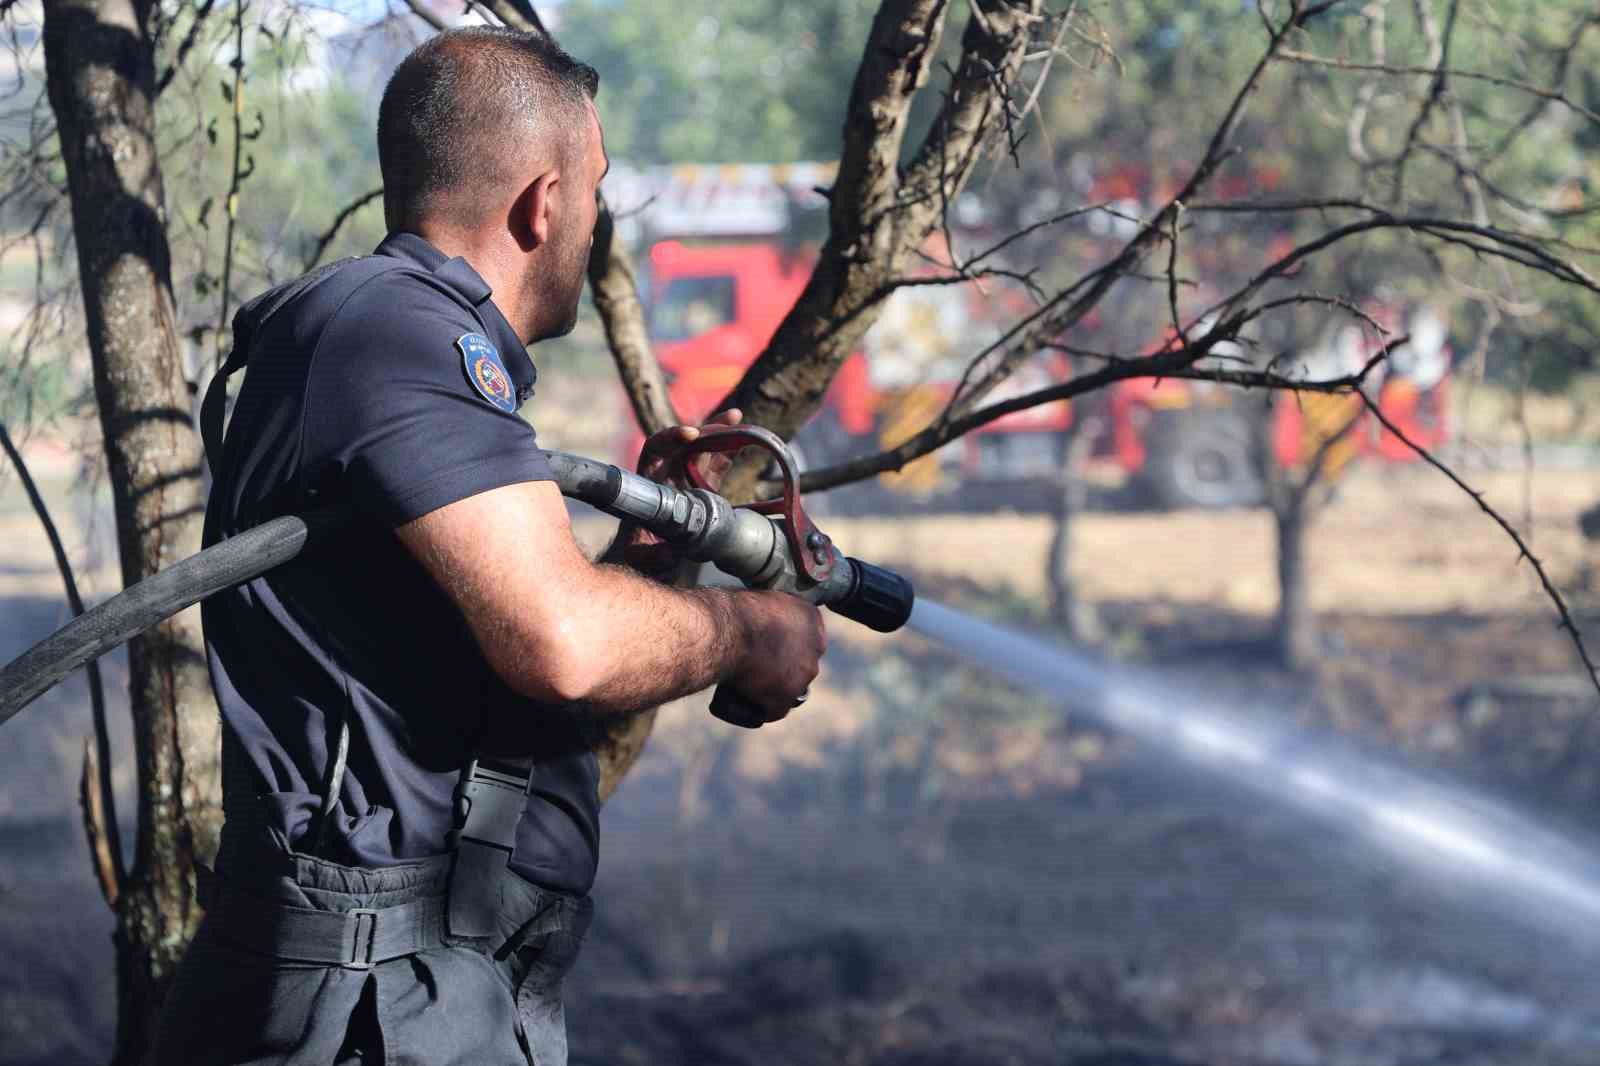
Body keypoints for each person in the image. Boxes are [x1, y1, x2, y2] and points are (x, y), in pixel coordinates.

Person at [150, 26, 826, 1066]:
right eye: (594, 196)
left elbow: (467, 669)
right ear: (545, 204)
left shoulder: (393, 338)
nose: (592, 225)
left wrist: (648, 557)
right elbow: (562, 644)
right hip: (375, 1001)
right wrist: (744, 632)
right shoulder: (402, 334)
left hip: (412, 979)